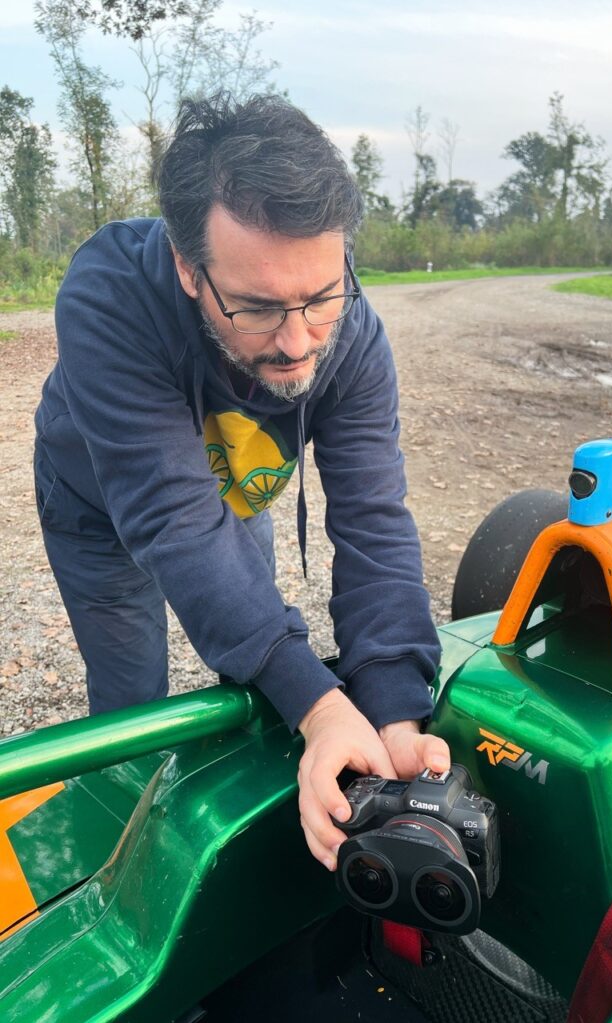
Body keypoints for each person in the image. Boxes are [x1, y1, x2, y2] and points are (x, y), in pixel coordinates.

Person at [34, 93, 449, 871]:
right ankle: (117, 871)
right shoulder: (108, 295)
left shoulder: (351, 334)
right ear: (190, 270)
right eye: (257, 308)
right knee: (131, 695)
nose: (298, 343)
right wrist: (324, 702)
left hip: (234, 490)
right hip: (99, 510)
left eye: (321, 297)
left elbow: (372, 517)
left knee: (260, 668)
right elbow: (171, 521)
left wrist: (390, 707)